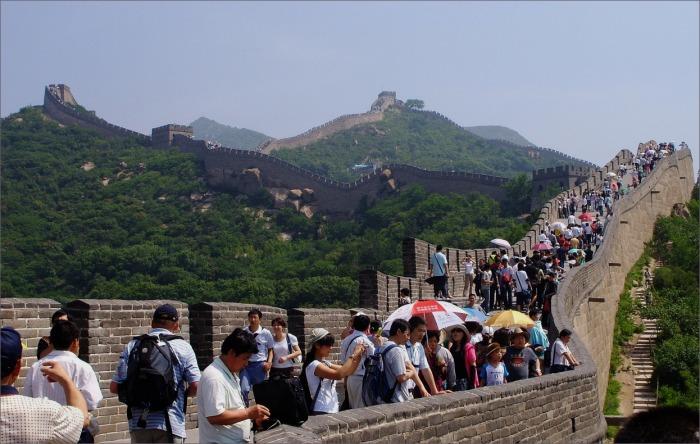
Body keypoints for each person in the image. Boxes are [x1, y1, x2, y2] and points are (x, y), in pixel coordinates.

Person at [110, 304, 200, 444]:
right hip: (170, 422)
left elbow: (114, 387)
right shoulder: (183, 347)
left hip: (138, 424)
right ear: (176, 325)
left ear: (152, 323)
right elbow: (196, 385)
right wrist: (180, 393)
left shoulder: (133, 345)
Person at [1, 326, 88, 444]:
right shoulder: (45, 412)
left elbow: (28, 392)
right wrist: (66, 381)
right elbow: (82, 418)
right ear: (17, 367)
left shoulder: (36, 366)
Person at [25, 320, 102, 443]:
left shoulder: (36, 367)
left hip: (43, 432)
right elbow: (92, 402)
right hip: (75, 432)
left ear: (51, 342)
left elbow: (27, 400)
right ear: (75, 342)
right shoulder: (83, 367)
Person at [198, 328, 270, 444]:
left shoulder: (229, 373)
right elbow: (215, 416)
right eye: (245, 358)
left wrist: (253, 418)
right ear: (232, 353)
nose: (246, 363)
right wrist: (248, 413)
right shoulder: (214, 377)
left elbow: (233, 408)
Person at [301, 328, 365, 414]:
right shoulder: (314, 365)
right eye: (328, 345)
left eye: (331, 344)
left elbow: (349, 371)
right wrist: (354, 355)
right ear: (317, 345)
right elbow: (339, 374)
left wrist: (359, 355)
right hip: (321, 409)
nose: (331, 348)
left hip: (331, 408)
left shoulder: (325, 363)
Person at [339, 314, 375, 409]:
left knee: (352, 406)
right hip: (360, 377)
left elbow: (343, 361)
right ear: (368, 326)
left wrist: (345, 380)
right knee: (361, 408)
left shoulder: (346, 339)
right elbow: (373, 358)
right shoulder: (364, 341)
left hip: (349, 377)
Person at [240, 309, 274, 405]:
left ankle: (263, 415)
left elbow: (271, 350)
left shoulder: (266, 333)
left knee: (261, 392)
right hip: (246, 366)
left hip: (260, 366)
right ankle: (246, 414)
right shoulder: (244, 332)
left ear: (260, 319)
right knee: (243, 390)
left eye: (255, 317)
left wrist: (269, 362)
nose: (253, 319)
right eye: (251, 317)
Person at [380, 319, 416, 403]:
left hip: (384, 395)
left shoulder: (383, 346)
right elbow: (401, 377)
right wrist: (412, 372)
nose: (408, 338)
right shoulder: (396, 350)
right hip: (396, 397)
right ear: (399, 332)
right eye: (407, 334)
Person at [406, 316, 440, 397]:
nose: (422, 334)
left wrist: (434, 390)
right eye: (419, 330)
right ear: (411, 330)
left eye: (424, 331)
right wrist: (422, 388)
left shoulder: (419, 347)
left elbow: (426, 369)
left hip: (411, 392)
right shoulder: (402, 346)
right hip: (400, 392)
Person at [448, 324, 478, 390]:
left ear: (463, 334)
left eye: (458, 331)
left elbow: (473, 366)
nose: (455, 333)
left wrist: (472, 384)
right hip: (453, 381)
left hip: (465, 381)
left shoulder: (469, 347)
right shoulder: (452, 349)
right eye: (453, 331)